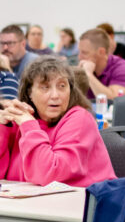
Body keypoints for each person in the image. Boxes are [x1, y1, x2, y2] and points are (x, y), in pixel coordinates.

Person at [0, 55, 116, 186]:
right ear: (29, 93)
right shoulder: (20, 122)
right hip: (25, 205)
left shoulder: (80, 119)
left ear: (70, 91)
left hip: (84, 203)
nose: (55, 95)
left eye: (62, 86)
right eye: (45, 87)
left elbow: (49, 176)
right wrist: (2, 128)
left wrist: (29, 126)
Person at [77, 28, 125, 100]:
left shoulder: (122, 68)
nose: (79, 57)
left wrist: (89, 75)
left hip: (122, 111)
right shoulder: (86, 67)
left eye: (84, 53)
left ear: (101, 52)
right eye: (79, 52)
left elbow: (114, 100)